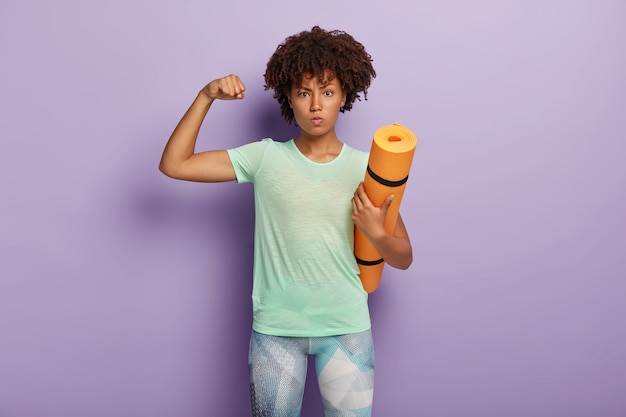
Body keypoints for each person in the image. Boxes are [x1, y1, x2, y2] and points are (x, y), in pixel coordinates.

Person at [159, 26, 412, 417]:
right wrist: (206, 95)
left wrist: (376, 231)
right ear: (288, 98)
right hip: (275, 329)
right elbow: (175, 164)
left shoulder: (368, 168)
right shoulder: (265, 158)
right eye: (304, 92)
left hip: (346, 325)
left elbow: (404, 257)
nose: (316, 105)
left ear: (344, 95)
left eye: (327, 92)